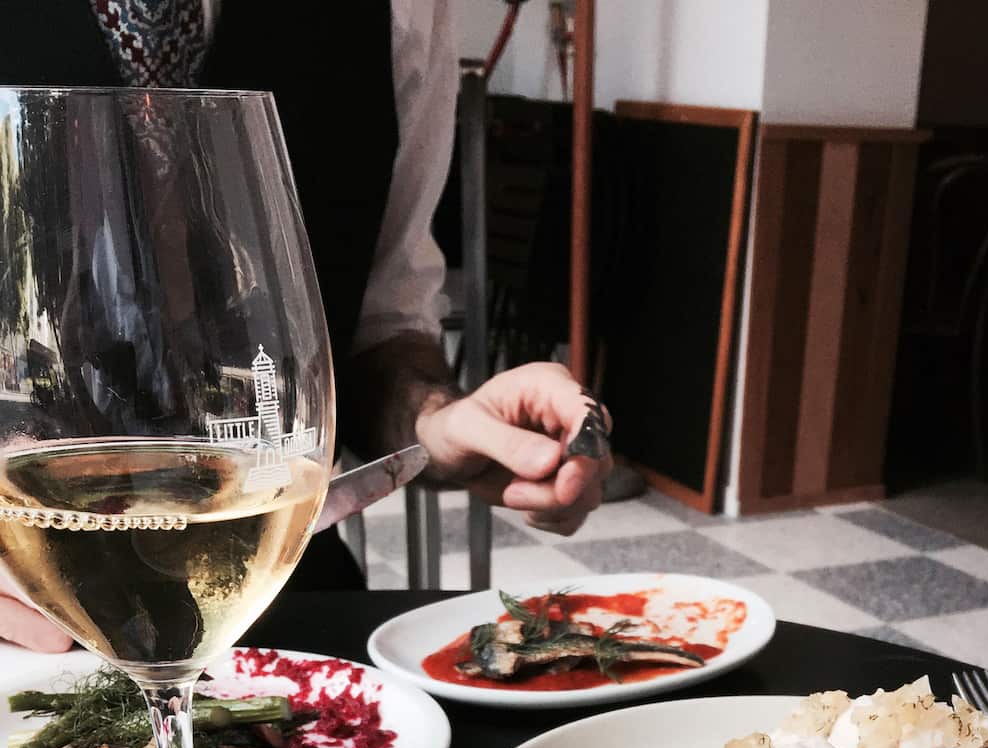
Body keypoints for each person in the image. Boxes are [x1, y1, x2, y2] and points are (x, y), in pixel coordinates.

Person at [0, 0, 609, 650]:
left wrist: (435, 420)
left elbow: (382, 328)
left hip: (279, 600)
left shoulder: (409, 10)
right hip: (26, 624)